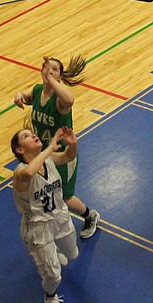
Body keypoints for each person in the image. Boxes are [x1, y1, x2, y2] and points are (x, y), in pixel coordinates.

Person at [13, 55, 100, 240]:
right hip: (44, 155)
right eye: (48, 68)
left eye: (55, 70)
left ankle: (90, 216)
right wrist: (18, 95)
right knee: (47, 193)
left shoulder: (60, 101)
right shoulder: (38, 91)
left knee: (65, 197)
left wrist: (50, 80)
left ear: (59, 77)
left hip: (63, 155)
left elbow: (69, 100)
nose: (50, 71)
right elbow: (27, 97)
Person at [11, 125, 80, 303]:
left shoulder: (47, 160)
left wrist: (73, 145)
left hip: (59, 217)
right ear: (19, 149)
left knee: (72, 253)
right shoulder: (20, 171)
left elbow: (68, 156)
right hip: (37, 227)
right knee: (53, 275)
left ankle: (54, 250)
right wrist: (50, 147)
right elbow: (27, 175)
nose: (33, 135)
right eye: (26, 136)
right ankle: (50, 297)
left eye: (33, 133)